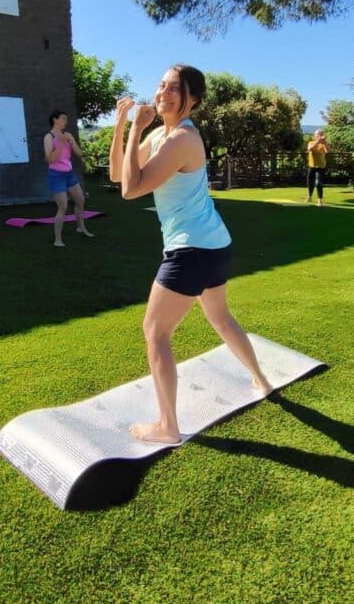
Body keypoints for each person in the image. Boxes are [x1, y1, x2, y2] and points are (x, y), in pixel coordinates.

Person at [109, 64, 272, 444]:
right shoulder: (163, 134)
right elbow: (118, 174)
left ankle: (167, 426)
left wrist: (136, 129)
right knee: (220, 317)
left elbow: (131, 190)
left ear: (193, 99)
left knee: (155, 332)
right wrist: (121, 127)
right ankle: (261, 380)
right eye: (161, 85)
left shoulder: (181, 138)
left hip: (192, 248)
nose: (163, 93)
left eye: (174, 88)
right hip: (212, 243)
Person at [44, 110, 93, 247]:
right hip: (56, 175)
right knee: (63, 207)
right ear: (55, 120)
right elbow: (50, 159)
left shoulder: (68, 135)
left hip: (69, 174)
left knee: (80, 201)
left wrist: (71, 141)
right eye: (63, 118)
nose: (66, 121)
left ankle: (80, 227)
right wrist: (60, 143)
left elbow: (79, 154)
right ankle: (58, 240)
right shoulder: (49, 137)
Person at [305, 130, 329, 206]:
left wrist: (325, 142)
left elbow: (328, 151)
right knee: (310, 182)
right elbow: (310, 148)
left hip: (321, 166)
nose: (319, 136)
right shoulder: (311, 142)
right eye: (317, 134)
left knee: (318, 183)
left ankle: (320, 201)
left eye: (320, 134)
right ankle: (310, 196)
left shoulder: (324, 144)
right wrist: (318, 141)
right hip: (311, 165)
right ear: (315, 136)